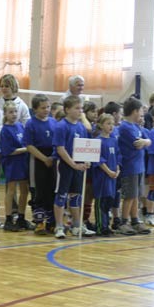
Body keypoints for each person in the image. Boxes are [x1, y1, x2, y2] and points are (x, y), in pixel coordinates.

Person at [52, 95, 95, 239]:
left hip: (78, 167)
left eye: (81, 108)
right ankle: (59, 226)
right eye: (77, 108)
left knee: (76, 196)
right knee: (61, 196)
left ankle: (76, 225)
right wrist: (73, 164)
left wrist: (86, 161)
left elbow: (84, 147)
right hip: (64, 166)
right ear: (67, 109)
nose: (80, 111)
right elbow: (60, 149)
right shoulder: (61, 126)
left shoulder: (81, 127)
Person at [117, 97, 151, 235]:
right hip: (130, 166)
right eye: (141, 111)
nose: (142, 114)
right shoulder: (125, 127)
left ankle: (135, 220)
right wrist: (144, 142)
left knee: (136, 195)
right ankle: (123, 222)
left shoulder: (136, 126)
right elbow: (137, 144)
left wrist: (145, 141)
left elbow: (149, 140)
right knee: (129, 196)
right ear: (135, 111)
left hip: (139, 166)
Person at [25, 94, 57, 235]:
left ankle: (51, 222)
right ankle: (39, 223)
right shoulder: (30, 123)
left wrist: (53, 157)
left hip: (52, 158)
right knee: (39, 192)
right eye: (43, 108)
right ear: (35, 109)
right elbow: (29, 145)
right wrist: (44, 159)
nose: (46, 110)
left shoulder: (53, 122)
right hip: (37, 159)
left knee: (52, 190)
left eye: (48, 107)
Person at [0, 100, 32, 232]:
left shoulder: (20, 126)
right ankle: (8, 220)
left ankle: (21, 218)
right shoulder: (5, 130)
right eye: (10, 112)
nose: (14, 114)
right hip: (12, 163)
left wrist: (27, 148)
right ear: (5, 114)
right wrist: (27, 149)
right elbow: (9, 151)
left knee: (24, 190)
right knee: (11, 190)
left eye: (15, 112)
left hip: (23, 162)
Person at [92, 114, 120, 236]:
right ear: (100, 125)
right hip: (102, 177)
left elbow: (118, 155)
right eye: (108, 123)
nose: (111, 126)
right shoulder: (98, 141)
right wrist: (108, 171)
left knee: (109, 201)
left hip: (112, 176)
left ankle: (106, 225)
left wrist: (117, 168)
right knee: (101, 202)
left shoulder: (113, 140)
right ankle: (100, 227)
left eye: (112, 124)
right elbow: (98, 159)